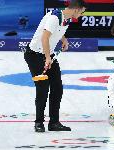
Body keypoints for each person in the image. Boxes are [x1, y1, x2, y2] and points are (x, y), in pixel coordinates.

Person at [24, 0, 86, 132]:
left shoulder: (66, 19)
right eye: (82, 12)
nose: (81, 15)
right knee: (43, 89)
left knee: (57, 88)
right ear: (76, 9)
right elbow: (45, 38)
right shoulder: (54, 17)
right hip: (35, 56)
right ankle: (38, 122)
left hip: (48, 55)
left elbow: (56, 31)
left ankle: (54, 123)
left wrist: (63, 39)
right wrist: (47, 58)